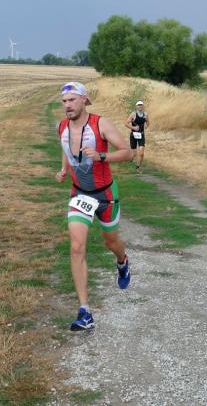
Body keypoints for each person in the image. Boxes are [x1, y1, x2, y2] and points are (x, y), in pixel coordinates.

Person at [55, 81, 135, 331]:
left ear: (84, 100)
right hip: (80, 194)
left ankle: (122, 261)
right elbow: (66, 148)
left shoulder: (101, 124)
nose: (67, 105)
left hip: (106, 195)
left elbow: (128, 153)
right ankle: (85, 312)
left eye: (71, 100)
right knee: (76, 246)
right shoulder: (62, 126)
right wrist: (64, 169)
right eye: (64, 101)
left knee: (111, 242)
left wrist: (102, 156)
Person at [125, 100, 149, 170]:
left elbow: (148, 122)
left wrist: (146, 126)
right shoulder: (133, 114)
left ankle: (137, 167)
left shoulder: (145, 114)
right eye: (139, 105)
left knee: (141, 153)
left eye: (141, 105)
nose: (140, 106)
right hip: (133, 135)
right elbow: (126, 123)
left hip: (141, 135)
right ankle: (130, 160)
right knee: (134, 154)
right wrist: (133, 128)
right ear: (136, 106)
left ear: (143, 106)